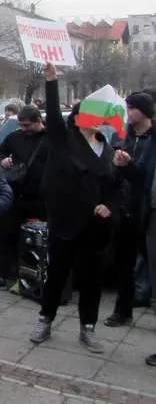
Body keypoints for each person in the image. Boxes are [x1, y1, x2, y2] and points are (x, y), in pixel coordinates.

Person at [29, 62, 123, 354]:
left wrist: (109, 206)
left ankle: (88, 328)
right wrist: (52, 81)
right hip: (65, 221)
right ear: (78, 118)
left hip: (94, 227)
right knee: (57, 273)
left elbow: (114, 188)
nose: (96, 120)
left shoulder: (107, 150)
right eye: (89, 114)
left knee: (92, 277)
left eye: (99, 116)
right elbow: (54, 115)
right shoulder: (62, 140)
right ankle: (46, 319)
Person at [105, 92, 155, 326]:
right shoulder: (123, 134)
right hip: (124, 207)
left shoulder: (153, 138)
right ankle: (122, 310)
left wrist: (128, 166)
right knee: (124, 263)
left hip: (148, 210)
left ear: (144, 110)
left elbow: (143, 175)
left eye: (132, 107)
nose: (128, 112)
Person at [0, 106, 48, 291]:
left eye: (27, 125)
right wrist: (3, 160)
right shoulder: (15, 137)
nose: (24, 128)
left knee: (34, 241)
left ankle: (27, 276)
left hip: (40, 198)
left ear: (39, 121)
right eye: (21, 125)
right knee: (8, 235)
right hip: (16, 194)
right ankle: (2, 273)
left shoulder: (50, 139)